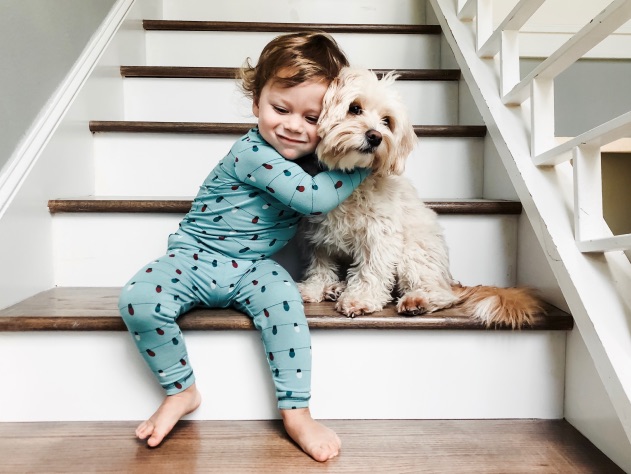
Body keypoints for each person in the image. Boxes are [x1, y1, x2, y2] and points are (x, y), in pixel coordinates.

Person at [118, 31, 369, 462]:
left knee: (285, 303)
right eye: (280, 108)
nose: (293, 125)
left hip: (254, 266)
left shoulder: (313, 160)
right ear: (256, 104)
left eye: (312, 119)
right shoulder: (251, 153)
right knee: (139, 300)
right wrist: (368, 161)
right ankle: (182, 390)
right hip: (195, 256)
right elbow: (314, 198)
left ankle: (297, 411)